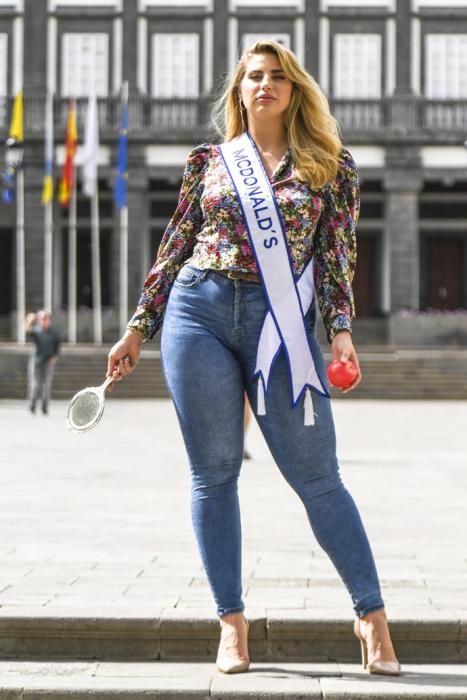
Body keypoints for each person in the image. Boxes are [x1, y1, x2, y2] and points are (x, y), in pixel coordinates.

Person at [107, 40, 400, 677]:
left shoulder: (331, 165)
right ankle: (231, 624)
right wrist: (139, 325)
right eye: (253, 77)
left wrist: (342, 331)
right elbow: (175, 241)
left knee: (319, 478)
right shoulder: (210, 161)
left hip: (281, 326)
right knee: (214, 474)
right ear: (239, 90)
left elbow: (337, 258)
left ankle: (371, 617)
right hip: (197, 311)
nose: (264, 85)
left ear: (295, 89)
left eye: (276, 77)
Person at [25, 310, 60, 415]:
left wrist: (55, 356)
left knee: (47, 385)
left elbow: (57, 345)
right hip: (36, 361)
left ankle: (45, 407)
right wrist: (29, 320)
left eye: (46, 319)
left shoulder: (54, 333)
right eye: (42, 319)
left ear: (49, 320)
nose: (44, 321)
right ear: (39, 321)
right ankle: (32, 405)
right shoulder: (36, 331)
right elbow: (27, 331)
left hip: (48, 361)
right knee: (35, 384)